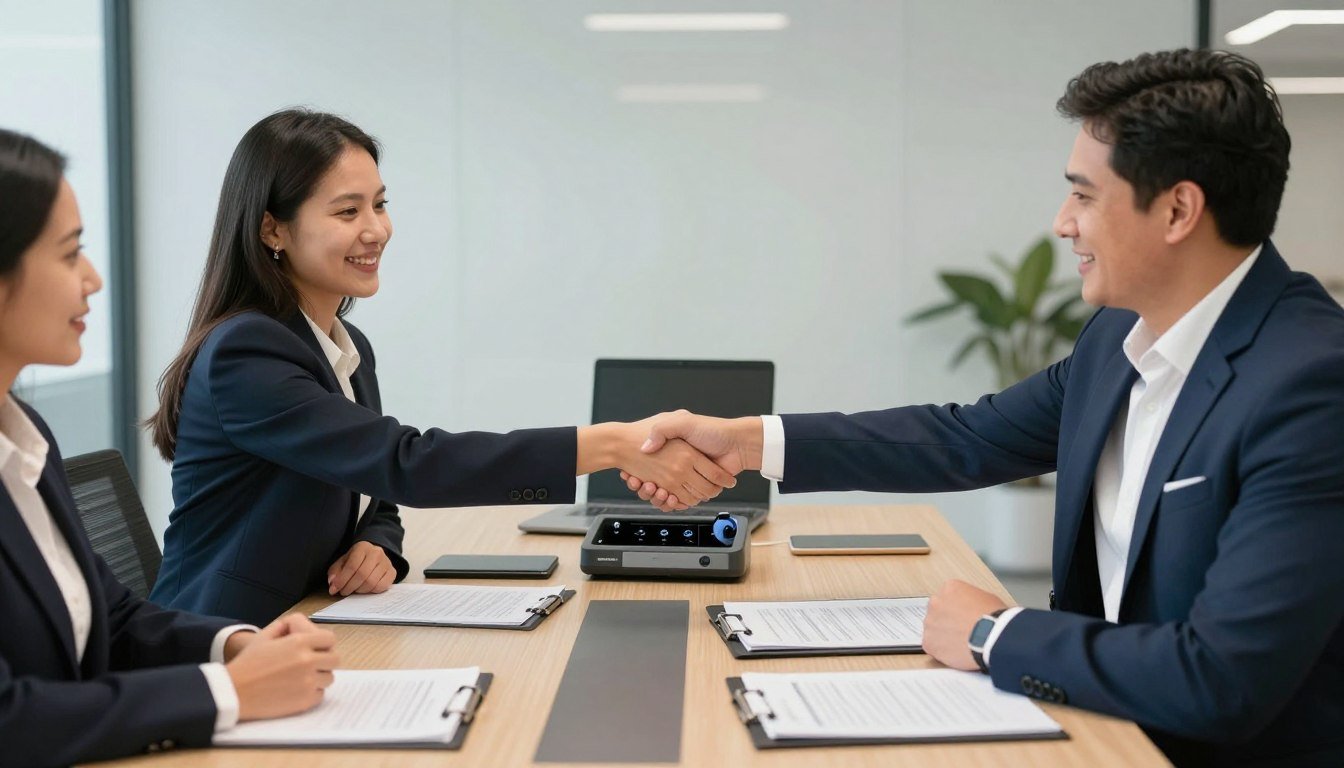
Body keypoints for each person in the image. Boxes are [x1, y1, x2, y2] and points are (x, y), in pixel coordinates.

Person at [620, 49, 1344, 766]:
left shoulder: (1312, 386)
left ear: (1179, 209)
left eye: (1085, 195)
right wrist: (748, 443)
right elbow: (968, 436)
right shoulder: (1121, 336)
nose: (1063, 223)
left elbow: (1222, 679)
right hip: (1103, 725)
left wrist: (993, 634)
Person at [146, 109, 734, 625]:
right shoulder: (246, 354)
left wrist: (378, 545)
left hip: (309, 624)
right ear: (273, 228)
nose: (376, 230)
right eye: (347, 211)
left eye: (379, 204)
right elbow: (407, 464)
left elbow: (376, 495)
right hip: (221, 643)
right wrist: (607, 445)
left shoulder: (344, 348)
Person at [0, 128, 341, 765]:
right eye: (71, 254)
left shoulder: (24, 436)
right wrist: (225, 692)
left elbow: (112, 615)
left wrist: (238, 647)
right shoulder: (249, 345)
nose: (94, 279)